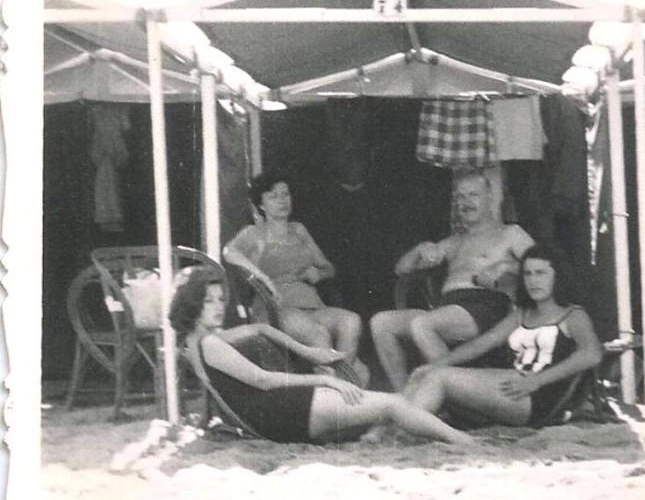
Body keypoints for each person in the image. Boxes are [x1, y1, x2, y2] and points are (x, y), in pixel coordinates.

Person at [169, 268, 472, 445]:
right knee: (392, 404)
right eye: (208, 302)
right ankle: (466, 442)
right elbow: (263, 379)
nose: (219, 307)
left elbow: (260, 327)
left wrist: (306, 351)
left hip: (275, 418)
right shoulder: (211, 344)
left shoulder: (197, 343)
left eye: (220, 299)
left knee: (379, 411)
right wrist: (328, 383)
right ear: (193, 305)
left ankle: (402, 433)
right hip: (285, 414)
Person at [402, 244, 603, 428]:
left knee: (439, 378)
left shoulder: (573, 314)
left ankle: (400, 429)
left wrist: (537, 381)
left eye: (541, 273)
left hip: (537, 397)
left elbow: (591, 354)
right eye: (528, 274)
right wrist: (436, 363)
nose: (533, 281)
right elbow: (483, 343)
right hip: (512, 385)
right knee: (425, 374)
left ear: (557, 276)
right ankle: (382, 431)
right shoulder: (523, 313)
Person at [370, 171, 534, 390]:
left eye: (472, 195)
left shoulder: (510, 233)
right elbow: (401, 269)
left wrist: (505, 266)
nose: (465, 203)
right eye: (459, 197)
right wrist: (420, 250)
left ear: (490, 196)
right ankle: (405, 400)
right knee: (381, 322)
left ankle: (454, 398)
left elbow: (544, 266)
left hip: (486, 306)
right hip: (448, 308)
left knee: (423, 324)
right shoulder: (454, 242)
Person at [223, 171, 368, 384]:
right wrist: (263, 278)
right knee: (318, 334)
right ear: (260, 204)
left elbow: (328, 267)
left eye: (285, 194)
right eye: (273, 196)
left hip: (310, 304)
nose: (282, 201)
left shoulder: (299, 230)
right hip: (276, 308)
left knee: (351, 321)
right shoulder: (254, 233)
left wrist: (318, 273)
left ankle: (341, 384)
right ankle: (339, 389)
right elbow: (229, 252)